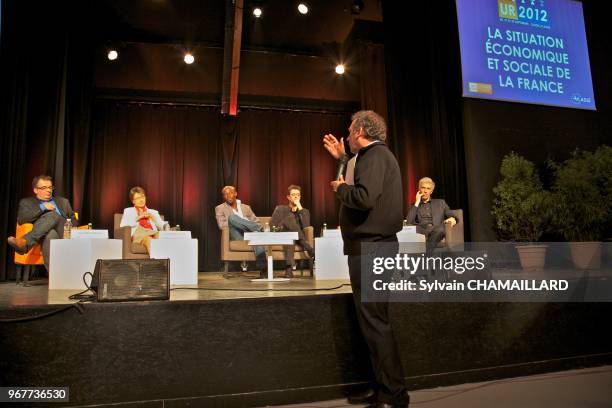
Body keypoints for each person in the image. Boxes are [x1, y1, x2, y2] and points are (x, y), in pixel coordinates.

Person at [327, 110, 409, 408]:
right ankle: (384, 388)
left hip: (373, 249)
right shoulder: (369, 158)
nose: (346, 135)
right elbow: (359, 180)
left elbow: (363, 196)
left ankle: (394, 395)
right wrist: (342, 160)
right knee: (372, 323)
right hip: (370, 248)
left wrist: (340, 189)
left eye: (349, 130)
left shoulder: (375, 156)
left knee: (375, 323)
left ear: (361, 129)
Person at [7, 174, 77, 271]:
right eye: (44, 188)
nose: (49, 190)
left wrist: (70, 227)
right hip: (44, 234)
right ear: (36, 190)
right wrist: (42, 208)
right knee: (49, 235)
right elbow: (22, 219)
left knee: (53, 215)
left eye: (50, 187)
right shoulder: (27, 202)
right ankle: (54, 277)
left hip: (65, 232)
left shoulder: (63, 202)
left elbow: (73, 218)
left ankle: (26, 242)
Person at [214, 185, 267, 277]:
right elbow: (221, 225)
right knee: (232, 218)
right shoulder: (220, 208)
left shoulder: (246, 207)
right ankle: (260, 230)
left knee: (256, 237)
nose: (228, 195)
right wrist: (239, 223)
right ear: (223, 197)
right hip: (236, 235)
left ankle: (264, 269)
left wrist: (247, 225)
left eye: (230, 193)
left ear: (235, 194)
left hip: (251, 234)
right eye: (225, 194)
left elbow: (256, 221)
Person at [270, 185, 314, 278]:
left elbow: (306, 226)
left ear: (300, 197)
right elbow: (272, 226)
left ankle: (288, 269)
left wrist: (300, 208)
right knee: (289, 219)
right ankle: (309, 248)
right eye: (293, 194)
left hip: (295, 238)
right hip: (280, 234)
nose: (295, 197)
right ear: (288, 197)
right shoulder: (280, 209)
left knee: (290, 237)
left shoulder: (304, 211)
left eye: (298, 195)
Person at [406, 177, 456, 249]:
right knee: (409, 230)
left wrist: (452, 219)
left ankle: (426, 253)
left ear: (431, 191)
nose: (425, 191)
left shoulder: (440, 203)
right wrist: (417, 202)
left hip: (435, 229)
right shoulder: (414, 206)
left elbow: (451, 215)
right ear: (419, 190)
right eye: (423, 188)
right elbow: (408, 222)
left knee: (441, 229)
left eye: (428, 188)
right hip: (421, 230)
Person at [119, 186, 167, 254]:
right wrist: (138, 217)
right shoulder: (128, 211)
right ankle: (158, 262)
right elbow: (123, 226)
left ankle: (166, 261)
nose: (141, 200)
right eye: (138, 198)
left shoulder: (153, 212)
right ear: (133, 201)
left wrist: (154, 219)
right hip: (139, 233)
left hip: (152, 232)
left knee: (160, 236)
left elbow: (162, 226)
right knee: (148, 239)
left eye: (143, 197)